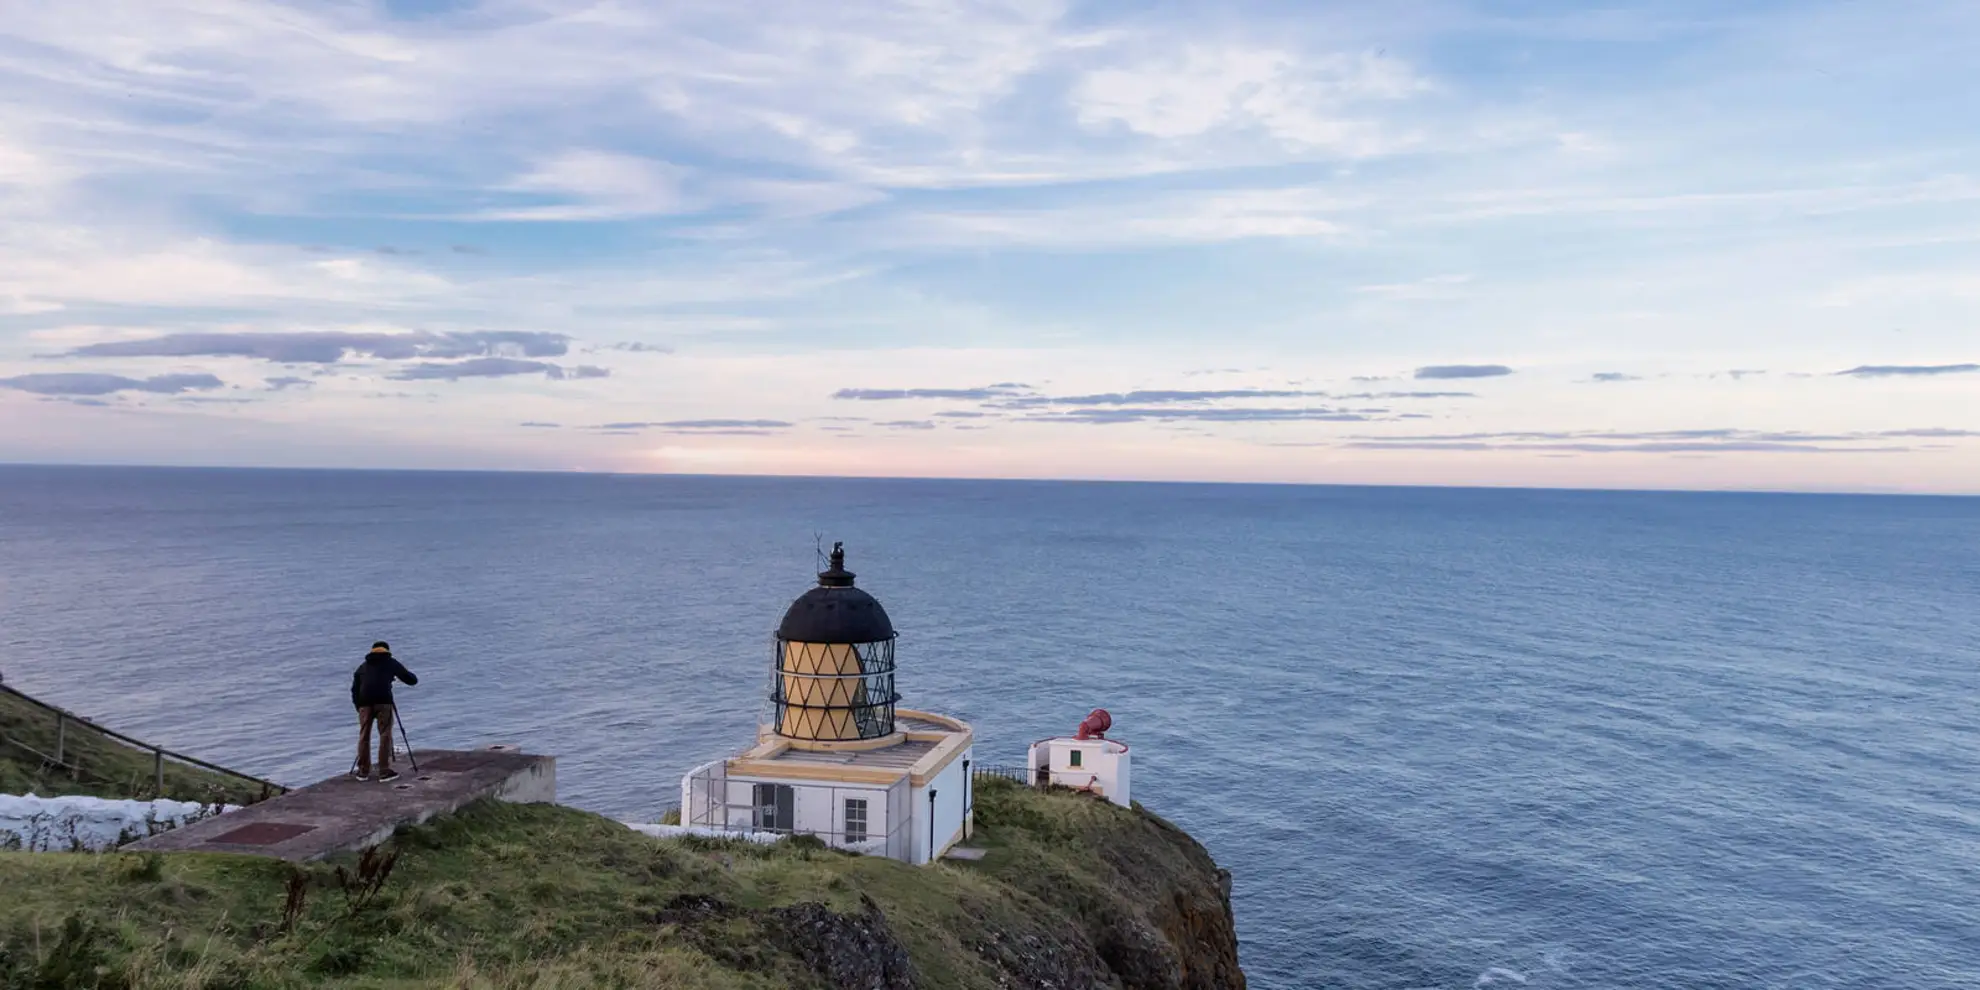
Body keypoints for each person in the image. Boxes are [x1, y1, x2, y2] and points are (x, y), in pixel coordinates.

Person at [351, 641, 418, 781]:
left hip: (364, 703)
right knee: (385, 734)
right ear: (386, 651)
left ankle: (363, 771)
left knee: (364, 735)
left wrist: (359, 707)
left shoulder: (362, 667)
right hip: (383, 701)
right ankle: (384, 771)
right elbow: (411, 680)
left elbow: (354, 689)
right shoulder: (390, 662)